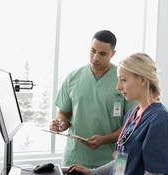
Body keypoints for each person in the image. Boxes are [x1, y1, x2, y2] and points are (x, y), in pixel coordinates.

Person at [67, 53, 168, 175]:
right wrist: (93, 172)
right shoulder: (132, 113)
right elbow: (122, 162)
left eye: (123, 80)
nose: (118, 87)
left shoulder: (160, 120)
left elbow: (156, 173)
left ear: (142, 80)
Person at [50, 30, 136, 168]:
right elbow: (64, 113)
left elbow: (132, 125)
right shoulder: (73, 77)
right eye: (93, 51)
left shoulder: (123, 79)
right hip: (75, 158)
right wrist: (60, 123)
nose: (95, 57)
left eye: (102, 54)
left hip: (111, 162)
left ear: (113, 54)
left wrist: (105, 140)